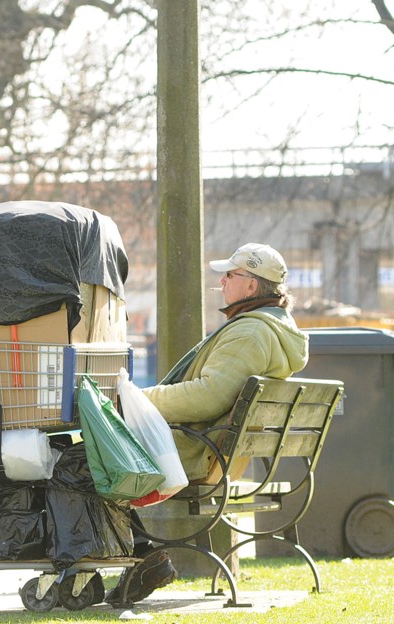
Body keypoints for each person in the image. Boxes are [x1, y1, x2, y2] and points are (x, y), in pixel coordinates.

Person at [105, 242, 309, 607]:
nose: (223, 280)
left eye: (231, 274)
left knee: (90, 456)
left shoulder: (250, 333)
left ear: (251, 286)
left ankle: (136, 558)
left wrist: (135, 400)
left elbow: (208, 396)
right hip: (215, 450)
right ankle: (140, 557)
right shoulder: (269, 329)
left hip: (196, 451)